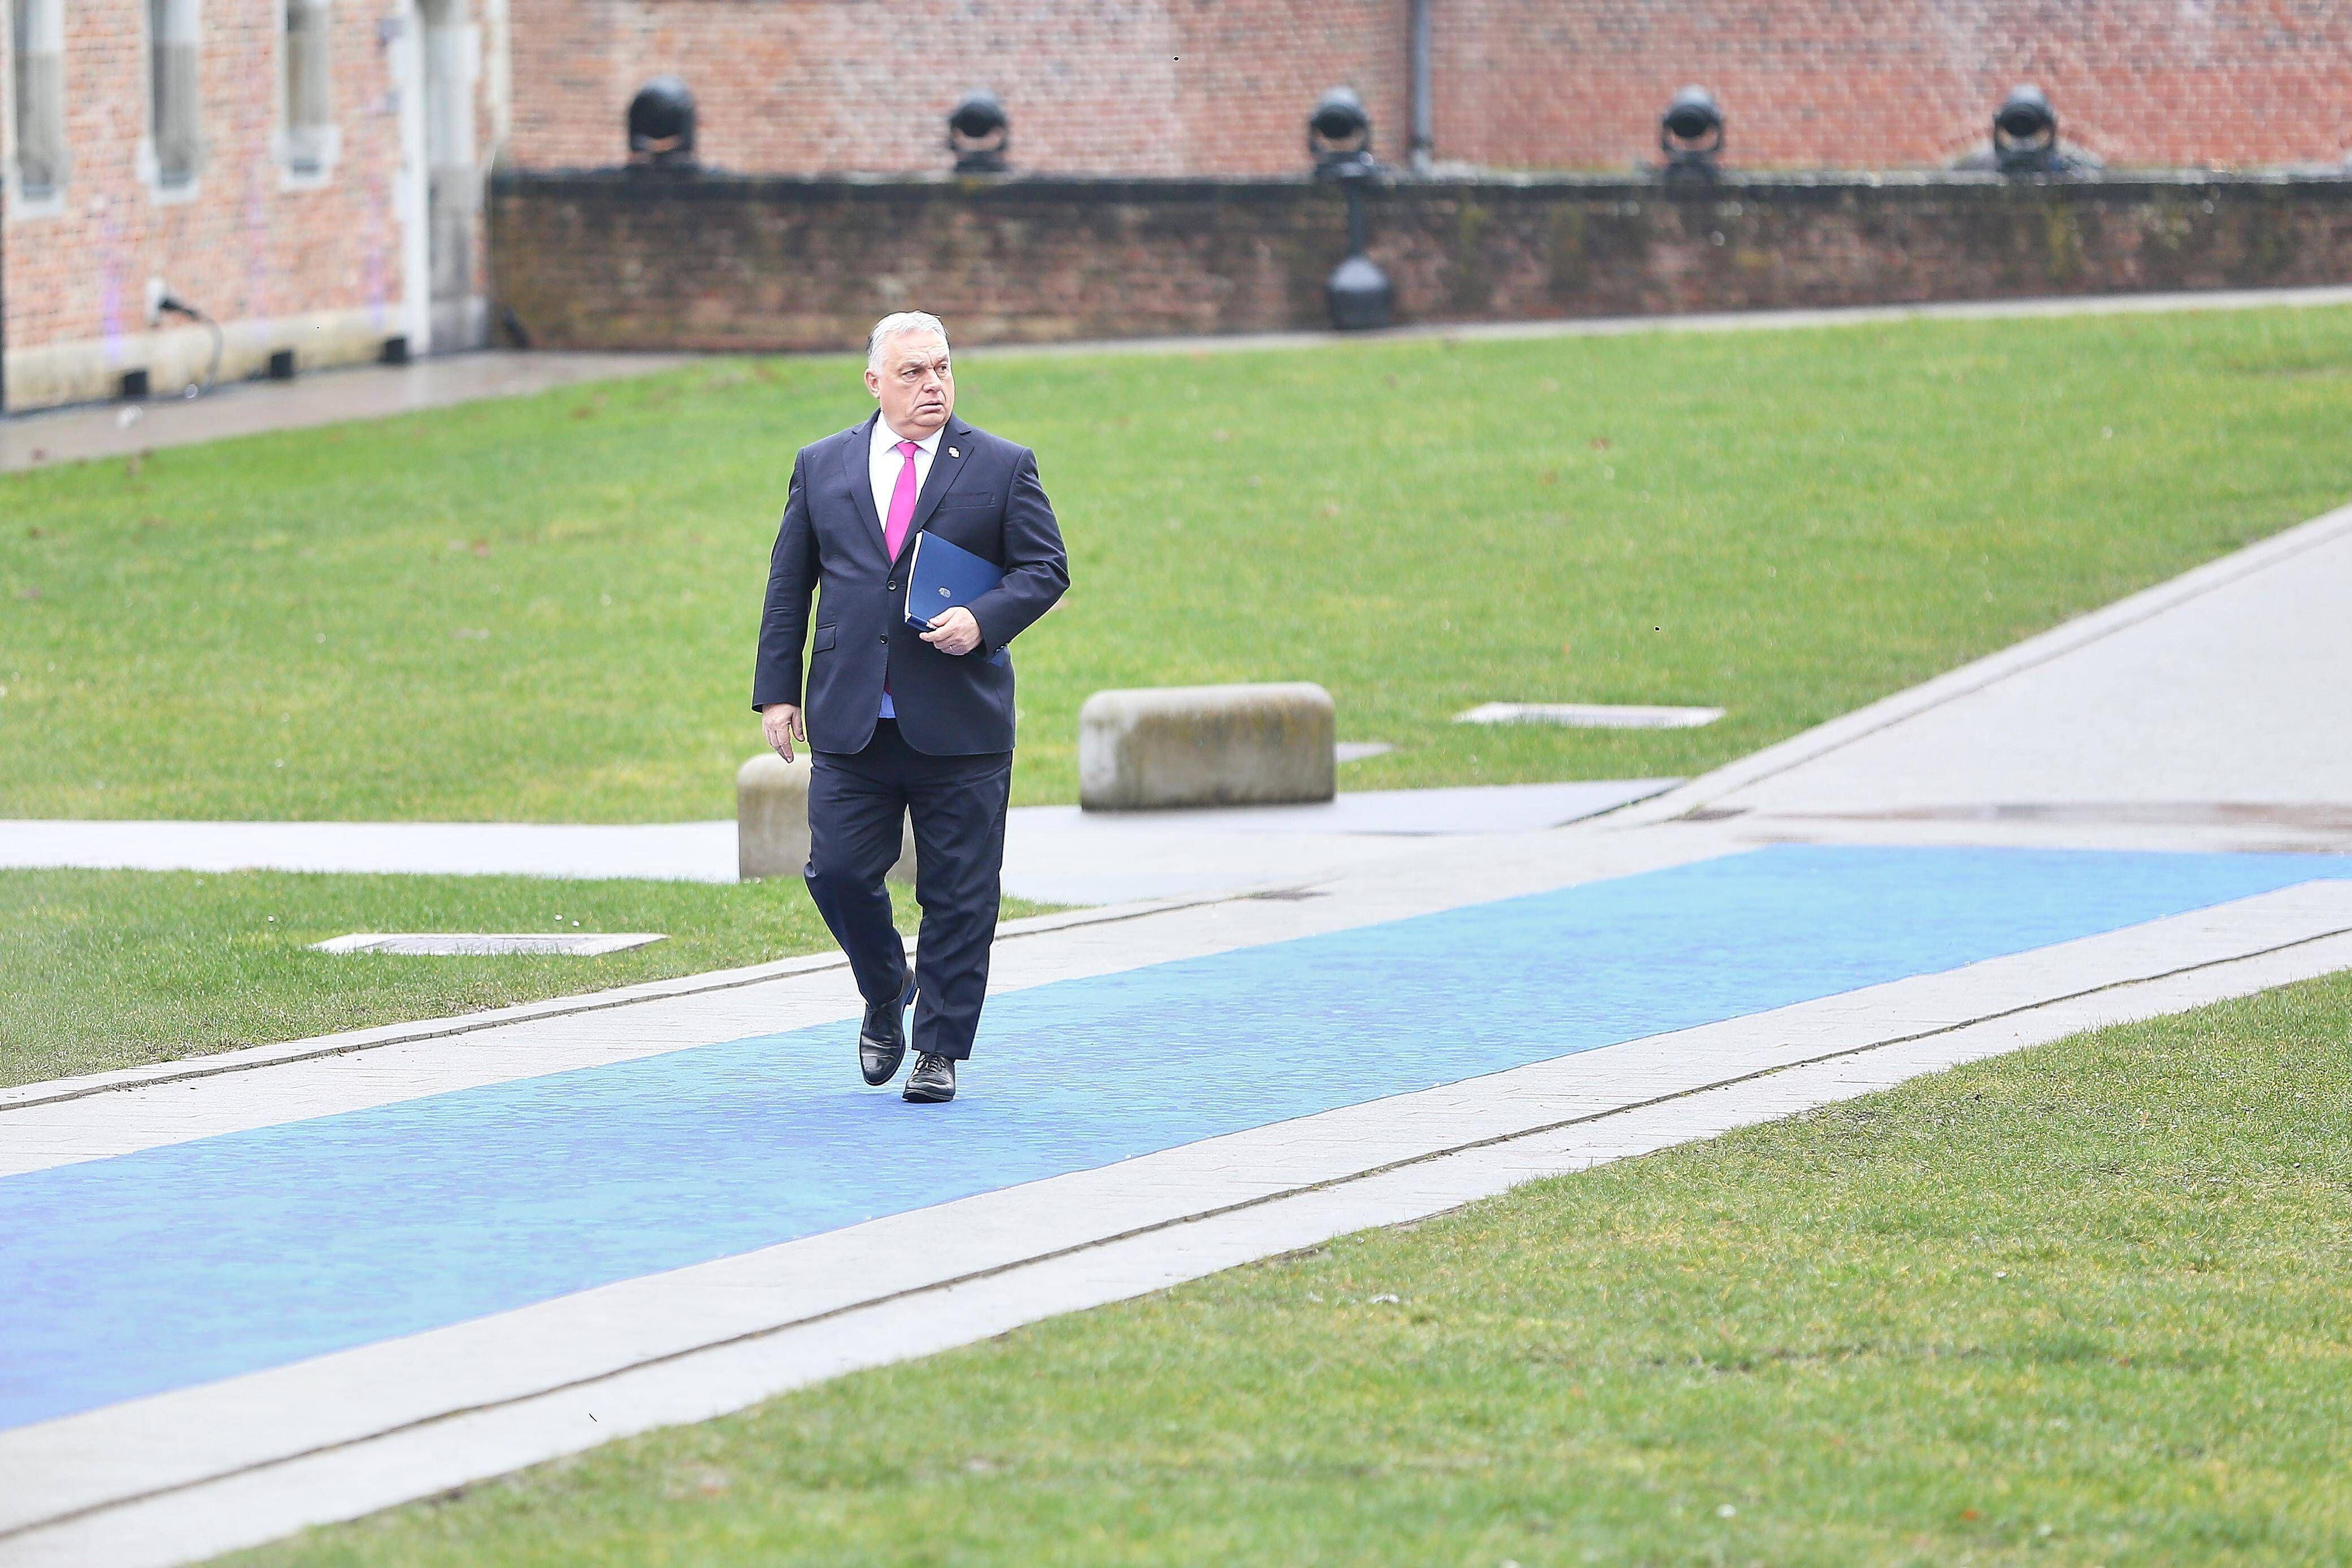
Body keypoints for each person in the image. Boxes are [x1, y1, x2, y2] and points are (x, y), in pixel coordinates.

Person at [753, 312, 1069, 1103]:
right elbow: (790, 584)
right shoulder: (822, 466)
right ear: (874, 383)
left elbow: (1045, 568)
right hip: (853, 715)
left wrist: (983, 620)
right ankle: (887, 986)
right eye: (913, 373)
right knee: (837, 873)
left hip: (959, 721)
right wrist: (777, 694)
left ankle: (940, 1052)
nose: (933, 385)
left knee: (962, 893)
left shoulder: (1001, 466)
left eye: (942, 370)